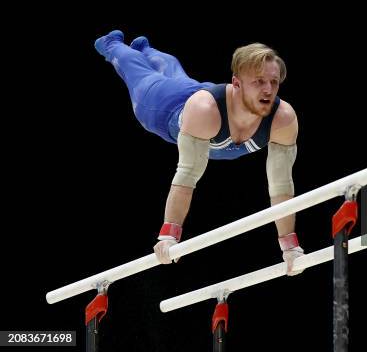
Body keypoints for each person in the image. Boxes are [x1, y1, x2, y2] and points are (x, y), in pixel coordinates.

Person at [94, 30, 304, 275]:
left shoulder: (283, 119)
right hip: (166, 108)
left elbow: (281, 186)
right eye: (259, 82)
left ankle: (147, 49)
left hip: (202, 100)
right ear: (236, 83)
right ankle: (112, 45)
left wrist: (289, 246)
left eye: (274, 82)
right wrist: (169, 234)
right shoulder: (206, 110)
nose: (268, 90)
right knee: (140, 75)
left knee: (178, 76)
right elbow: (187, 175)